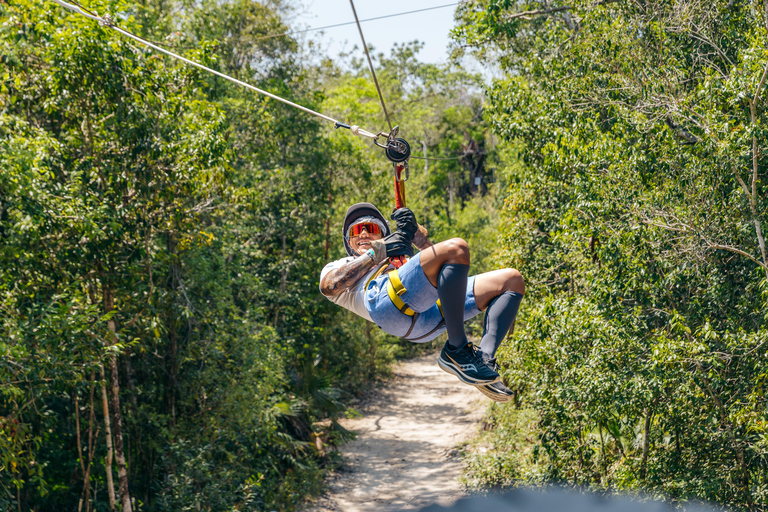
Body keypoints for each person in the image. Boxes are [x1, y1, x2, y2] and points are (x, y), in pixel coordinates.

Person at [319, 203, 524, 402]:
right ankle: (457, 350)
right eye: (356, 230)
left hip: (426, 316)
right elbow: (330, 286)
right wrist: (377, 252)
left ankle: (482, 362)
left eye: (371, 228)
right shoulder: (339, 265)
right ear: (349, 241)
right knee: (457, 246)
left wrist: (419, 238)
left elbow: (447, 269)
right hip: (385, 305)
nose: (363, 233)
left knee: (512, 280)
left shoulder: (399, 260)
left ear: (382, 235)